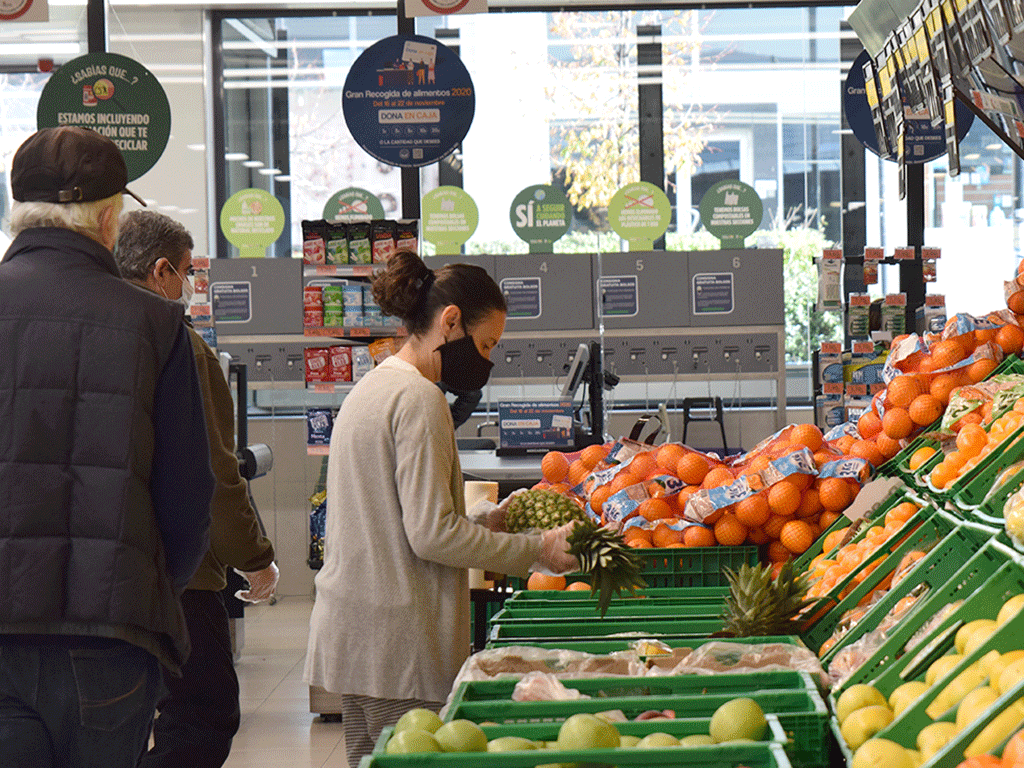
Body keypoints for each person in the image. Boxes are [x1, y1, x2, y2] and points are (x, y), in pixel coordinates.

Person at [304, 250, 579, 768]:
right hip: (399, 641)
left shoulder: (375, 385)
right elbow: (430, 536)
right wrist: (537, 549)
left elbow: (392, 521)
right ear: (450, 322)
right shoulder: (420, 399)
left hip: (357, 632)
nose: (488, 360)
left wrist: (482, 522)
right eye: (486, 344)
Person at [0, 126, 214, 767]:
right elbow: (187, 494)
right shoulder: (156, 323)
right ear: (110, 215)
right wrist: (148, 588)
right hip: (110, 637)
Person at [115, 209, 280, 768]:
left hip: (104, 569)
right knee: (205, 714)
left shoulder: (96, 336)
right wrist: (255, 558)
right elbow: (215, 473)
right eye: (186, 271)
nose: (190, 284)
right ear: (161, 271)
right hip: (181, 573)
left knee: (124, 719)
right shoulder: (182, 347)